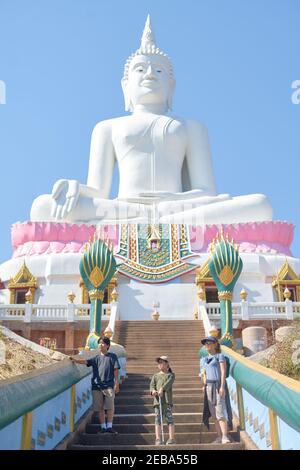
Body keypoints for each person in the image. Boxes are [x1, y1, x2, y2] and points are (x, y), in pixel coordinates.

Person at [70, 336, 120, 434]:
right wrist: (75, 360)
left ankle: (109, 426)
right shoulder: (96, 358)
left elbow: (116, 369)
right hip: (97, 386)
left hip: (109, 385)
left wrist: (117, 383)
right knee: (99, 407)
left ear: (108, 345)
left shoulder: (112, 356)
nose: (100, 345)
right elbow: (85, 362)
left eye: (102, 343)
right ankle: (103, 427)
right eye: (99, 343)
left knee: (110, 406)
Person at [199, 336, 231, 444]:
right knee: (213, 414)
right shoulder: (203, 360)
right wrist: (203, 384)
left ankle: (225, 436)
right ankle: (219, 436)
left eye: (209, 342)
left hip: (217, 385)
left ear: (215, 344)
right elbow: (203, 374)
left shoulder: (219, 356)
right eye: (205, 343)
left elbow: (223, 372)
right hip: (208, 386)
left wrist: (222, 386)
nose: (207, 345)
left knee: (220, 411)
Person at [150, 355, 176, 445]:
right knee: (157, 420)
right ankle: (158, 438)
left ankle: (171, 438)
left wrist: (162, 389)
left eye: (162, 362)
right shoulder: (155, 376)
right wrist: (153, 391)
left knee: (169, 419)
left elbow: (168, 384)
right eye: (159, 363)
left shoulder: (171, 375)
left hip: (167, 401)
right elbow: (152, 385)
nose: (160, 364)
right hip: (158, 401)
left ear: (167, 364)